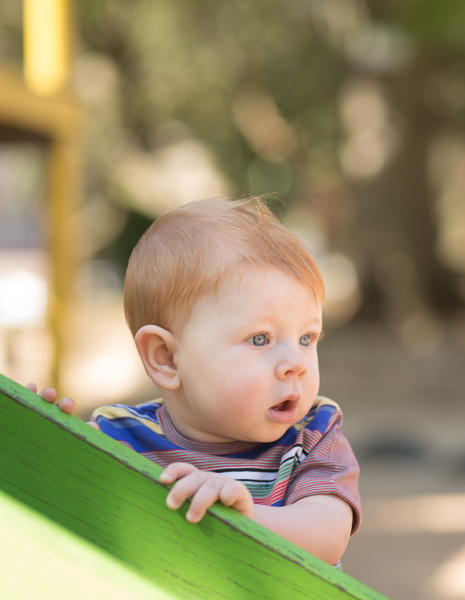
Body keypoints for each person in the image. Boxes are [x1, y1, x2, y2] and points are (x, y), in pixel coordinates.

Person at [28, 197, 359, 566]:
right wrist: (44, 446)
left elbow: (330, 535)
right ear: (166, 358)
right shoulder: (119, 437)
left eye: (306, 338)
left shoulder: (314, 436)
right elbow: (58, 512)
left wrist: (248, 520)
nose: (296, 364)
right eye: (260, 339)